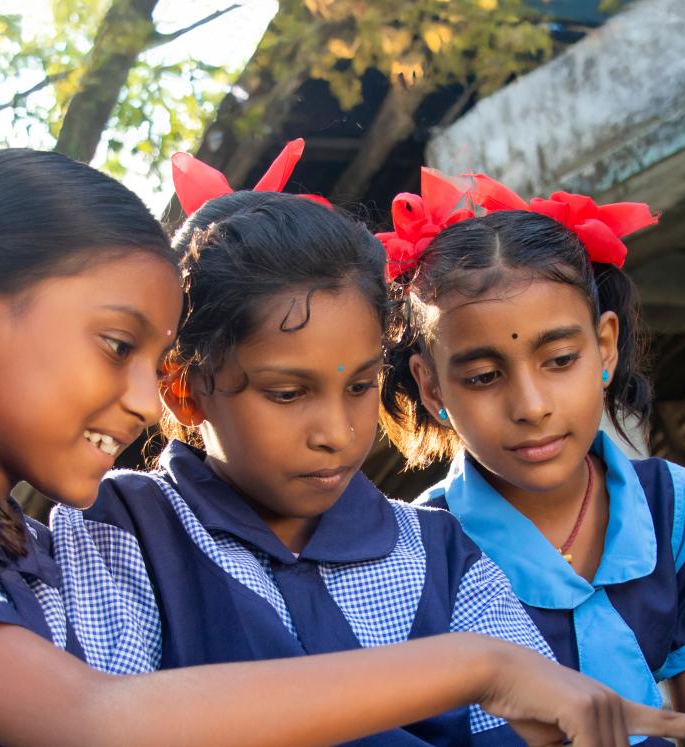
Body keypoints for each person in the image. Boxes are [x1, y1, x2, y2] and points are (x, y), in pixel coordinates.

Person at [0, 150, 685, 747]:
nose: (141, 402)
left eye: (149, 357)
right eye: (118, 345)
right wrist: (473, 664)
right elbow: (90, 725)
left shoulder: (14, 540)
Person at [63, 142, 555, 745]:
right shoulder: (121, 536)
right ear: (184, 389)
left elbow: (538, 729)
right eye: (288, 393)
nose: (338, 434)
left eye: (360, 386)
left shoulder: (441, 555)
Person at [380, 169, 685, 745]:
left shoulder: (678, 509)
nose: (530, 405)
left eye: (560, 359)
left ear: (605, 346)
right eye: (483, 375)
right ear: (432, 386)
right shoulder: (415, 561)